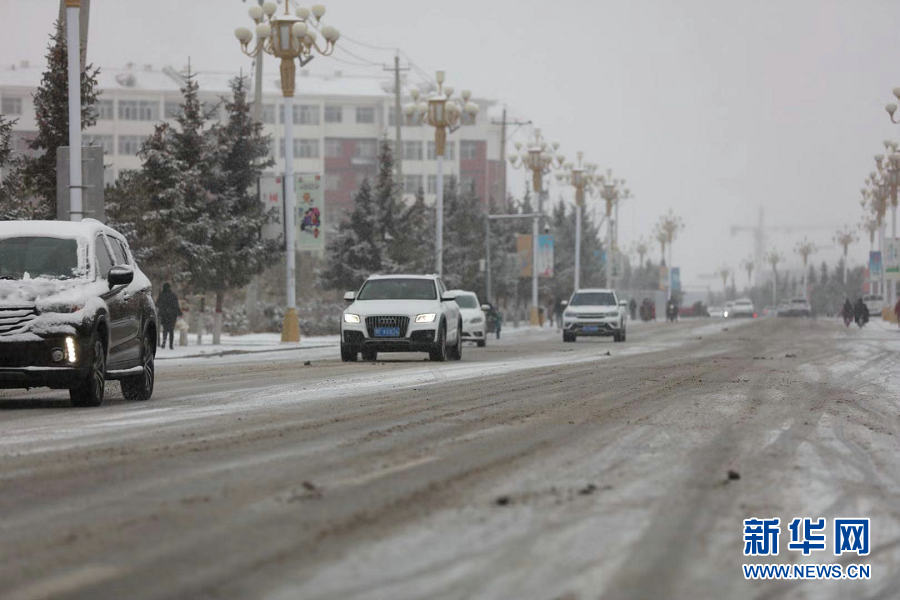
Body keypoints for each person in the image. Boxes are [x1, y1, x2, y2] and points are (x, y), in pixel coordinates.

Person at [156, 282, 182, 349]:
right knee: (171, 330)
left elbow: (157, 304)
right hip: (172, 315)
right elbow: (176, 305)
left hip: (164, 315)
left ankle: (164, 343)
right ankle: (171, 345)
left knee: (165, 329)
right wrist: (179, 312)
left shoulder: (162, 295)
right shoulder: (173, 295)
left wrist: (162, 308)